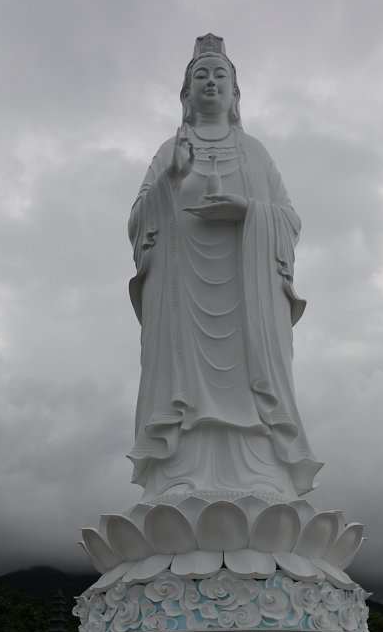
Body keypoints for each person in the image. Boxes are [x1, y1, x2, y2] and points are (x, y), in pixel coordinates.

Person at [127, 33, 322, 504]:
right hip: (181, 287)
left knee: (251, 382)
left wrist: (248, 211)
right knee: (183, 383)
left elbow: (289, 219)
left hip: (246, 291)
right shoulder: (166, 151)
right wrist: (171, 178)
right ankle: (178, 474)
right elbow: (137, 224)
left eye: (220, 75)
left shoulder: (255, 152)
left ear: (235, 94)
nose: (211, 82)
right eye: (201, 75)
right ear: (184, 94)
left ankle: (262, 476)